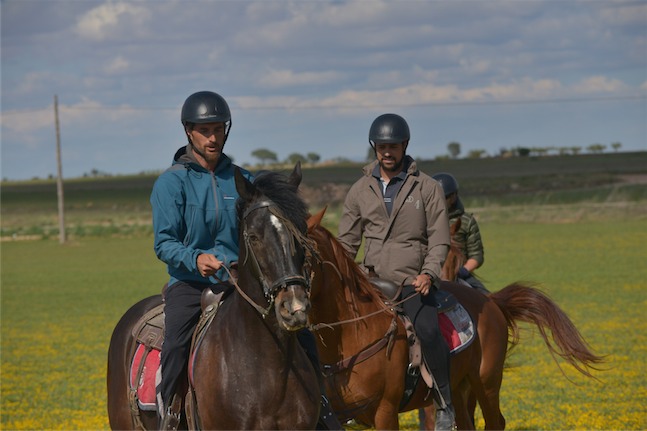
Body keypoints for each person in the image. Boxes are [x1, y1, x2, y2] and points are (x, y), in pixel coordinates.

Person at [151, 90, 340, 430]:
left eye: (218, 129)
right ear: (188, 132)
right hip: (192, 282)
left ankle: (322, 407)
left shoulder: (242, 180)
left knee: (302, 333)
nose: (213, 137)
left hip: (241, 282)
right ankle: (171, 412)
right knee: (176, 339)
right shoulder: (171, 183)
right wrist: (196, 259)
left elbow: (267, 228)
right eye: (204, 130)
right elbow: (164, 243)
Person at [337, 113, 455, 430]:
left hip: (411, 282)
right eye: (381, 147)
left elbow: (439, 238)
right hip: (370, 281)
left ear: (404, 146)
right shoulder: (359, 190)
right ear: (374, 148)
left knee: (429, 330)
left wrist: (429, 273)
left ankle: (444, 404)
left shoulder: (427, 188)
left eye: (393, 146)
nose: (387, 152)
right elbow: (347, 242)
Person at [432, 172, 489, 295]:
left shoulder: (467, 222)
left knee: (488, 301)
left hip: (459, 273)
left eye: (444, 197)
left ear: (453, 197)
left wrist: (463, 271)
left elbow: (476, 255)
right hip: (429, 272)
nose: (438, 201)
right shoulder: (424, 220)